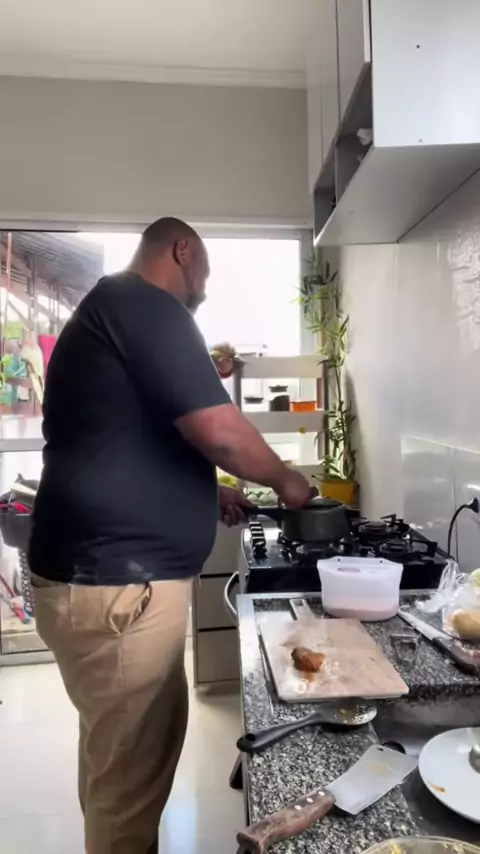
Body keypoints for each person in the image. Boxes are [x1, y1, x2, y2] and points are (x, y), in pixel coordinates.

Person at [29, 217, 311, 854]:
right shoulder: (146, 305)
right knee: (129, 780)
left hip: (101, 582)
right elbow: (221, 433)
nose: (203, 291)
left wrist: (207, 493)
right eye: (204, 276)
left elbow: (128, 438)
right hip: (117, 586)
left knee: (116, 762)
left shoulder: (115, 308)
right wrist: (289, 481)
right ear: (182, 251)